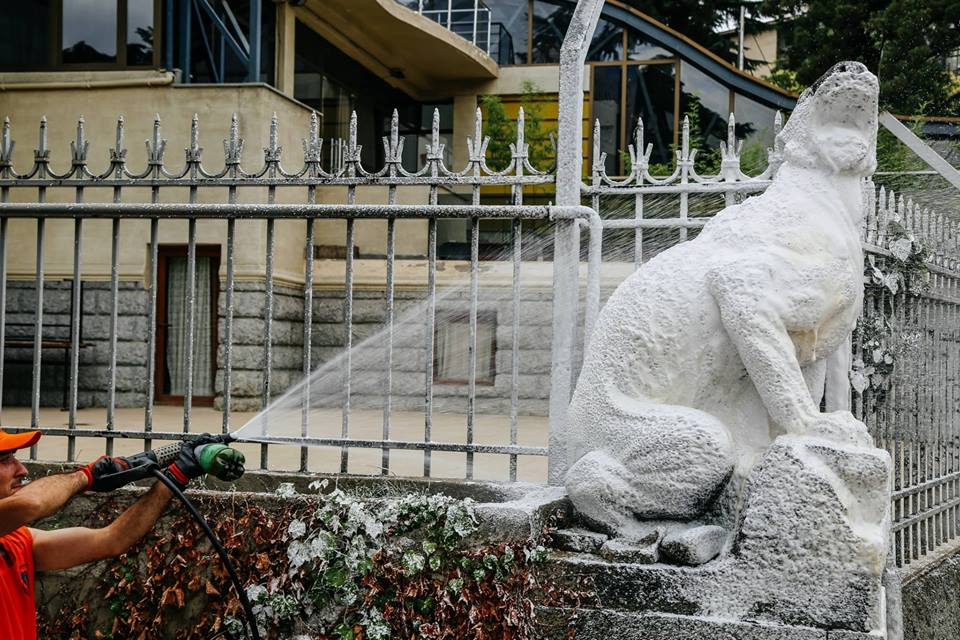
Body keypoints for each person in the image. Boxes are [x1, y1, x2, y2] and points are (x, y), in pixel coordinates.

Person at [0, 428, 206, 640]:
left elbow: (112, 539)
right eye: (5, 460)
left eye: (15, 458)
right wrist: (86, 476)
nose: (22, 469)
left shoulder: (17, 540)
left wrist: (174, 477)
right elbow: (31, 503)